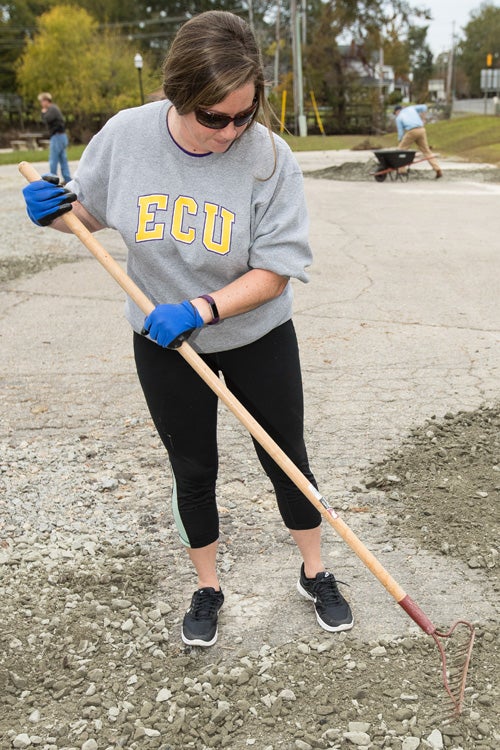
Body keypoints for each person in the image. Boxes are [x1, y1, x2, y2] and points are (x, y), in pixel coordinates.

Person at [23, 11, 354, 648]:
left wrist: (200, 310)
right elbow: (88, 214)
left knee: (286, 458)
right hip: (161, 342)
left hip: (255, 334)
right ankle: (208, 586)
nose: (231, 132)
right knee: (192, 467)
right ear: (178, 96)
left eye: (244, 116)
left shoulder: (270, 158)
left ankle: (316, 570)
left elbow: (277, 270)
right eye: (214, 118)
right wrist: (55, 214)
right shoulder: (126, 136)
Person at [393, 104, 442, 179]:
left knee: (400, 150)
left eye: (395, 113)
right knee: (426, 151)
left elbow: (400, 133)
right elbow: (424, 107)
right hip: (421, 129)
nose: (395, 115)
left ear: (397, 111)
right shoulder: (411, 108)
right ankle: (437, 168)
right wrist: (423, 118)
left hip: (412, 131)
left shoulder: (399, 117)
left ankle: (402, 170)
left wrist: (400, 141)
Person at [37, 92, 71, 184]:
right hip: (62, 136)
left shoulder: (52, 109)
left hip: (57, 137)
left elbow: (46, 119)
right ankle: (67, 179)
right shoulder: (54, 108)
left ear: (46, 100)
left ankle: (52, 179)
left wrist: (43, 112)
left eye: (42, 101)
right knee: (63, 159)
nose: (41, 104)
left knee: (53, 159)